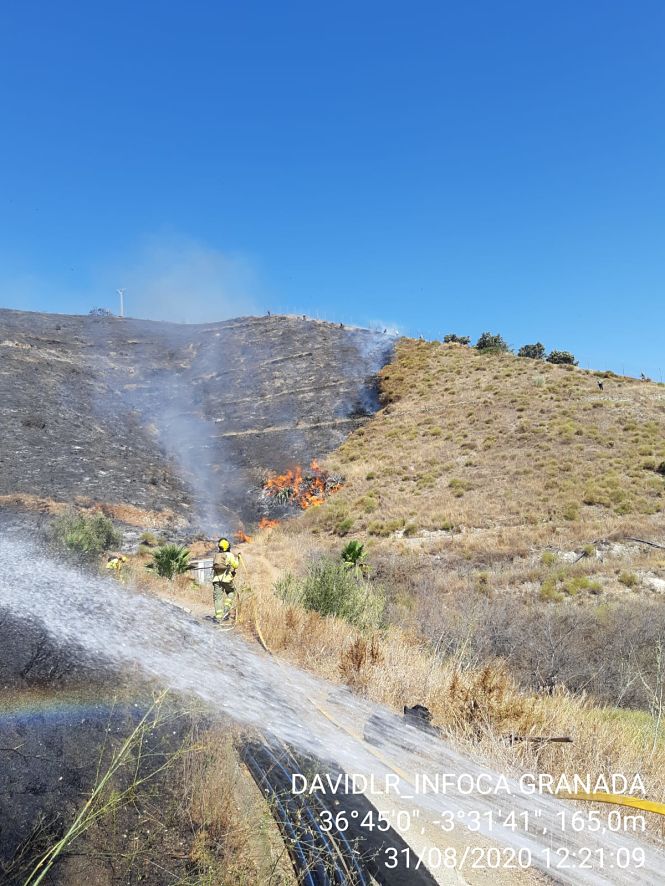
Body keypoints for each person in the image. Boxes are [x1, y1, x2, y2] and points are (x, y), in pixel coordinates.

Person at [211, 537, 240, 623]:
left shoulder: (216, 556)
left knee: (218, 598)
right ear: (228, 547)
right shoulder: (230, 555)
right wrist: (238, 558)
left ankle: (218, 617)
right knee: (232, 592)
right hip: (227, 579)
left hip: (216, 580)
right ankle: (225, 609)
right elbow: (235, 566)